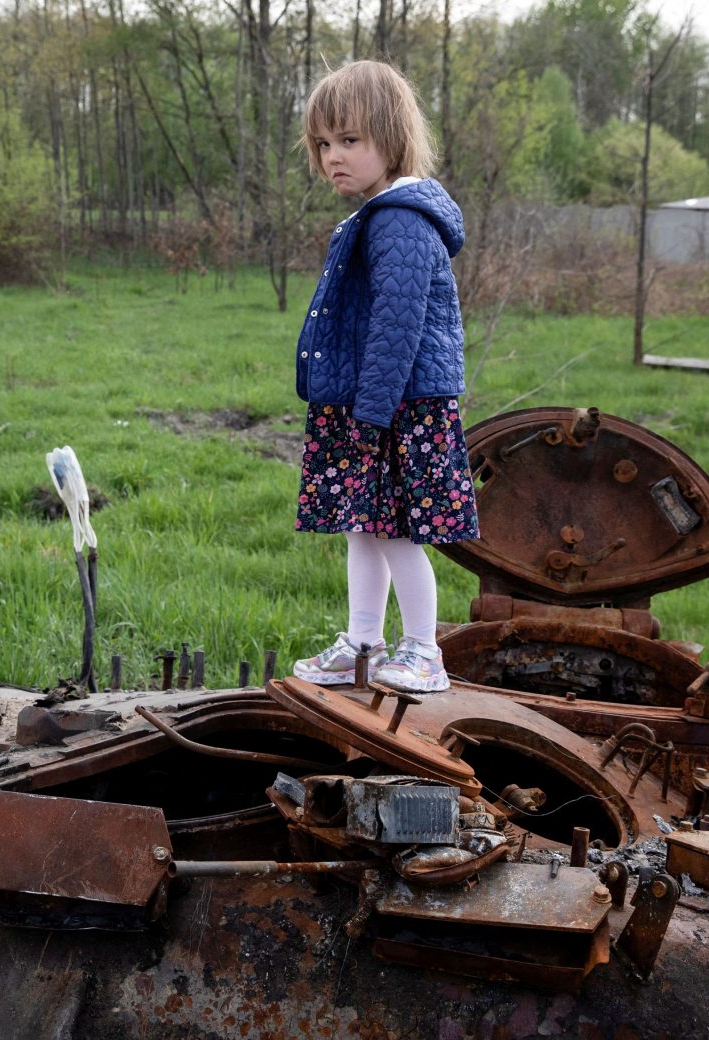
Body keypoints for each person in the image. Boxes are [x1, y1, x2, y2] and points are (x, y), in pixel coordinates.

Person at [290, 60, 479, 693]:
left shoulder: (400, 219)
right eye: (323, 144)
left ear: (391, 138)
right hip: (370, 401)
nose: (333, 157)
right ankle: (363, 643)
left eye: (349, 140)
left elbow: (397, 326)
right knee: (363, 527)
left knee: (395, 531)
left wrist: (370, 415)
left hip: (396, 405)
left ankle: (424, 650)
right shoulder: (379, 214)